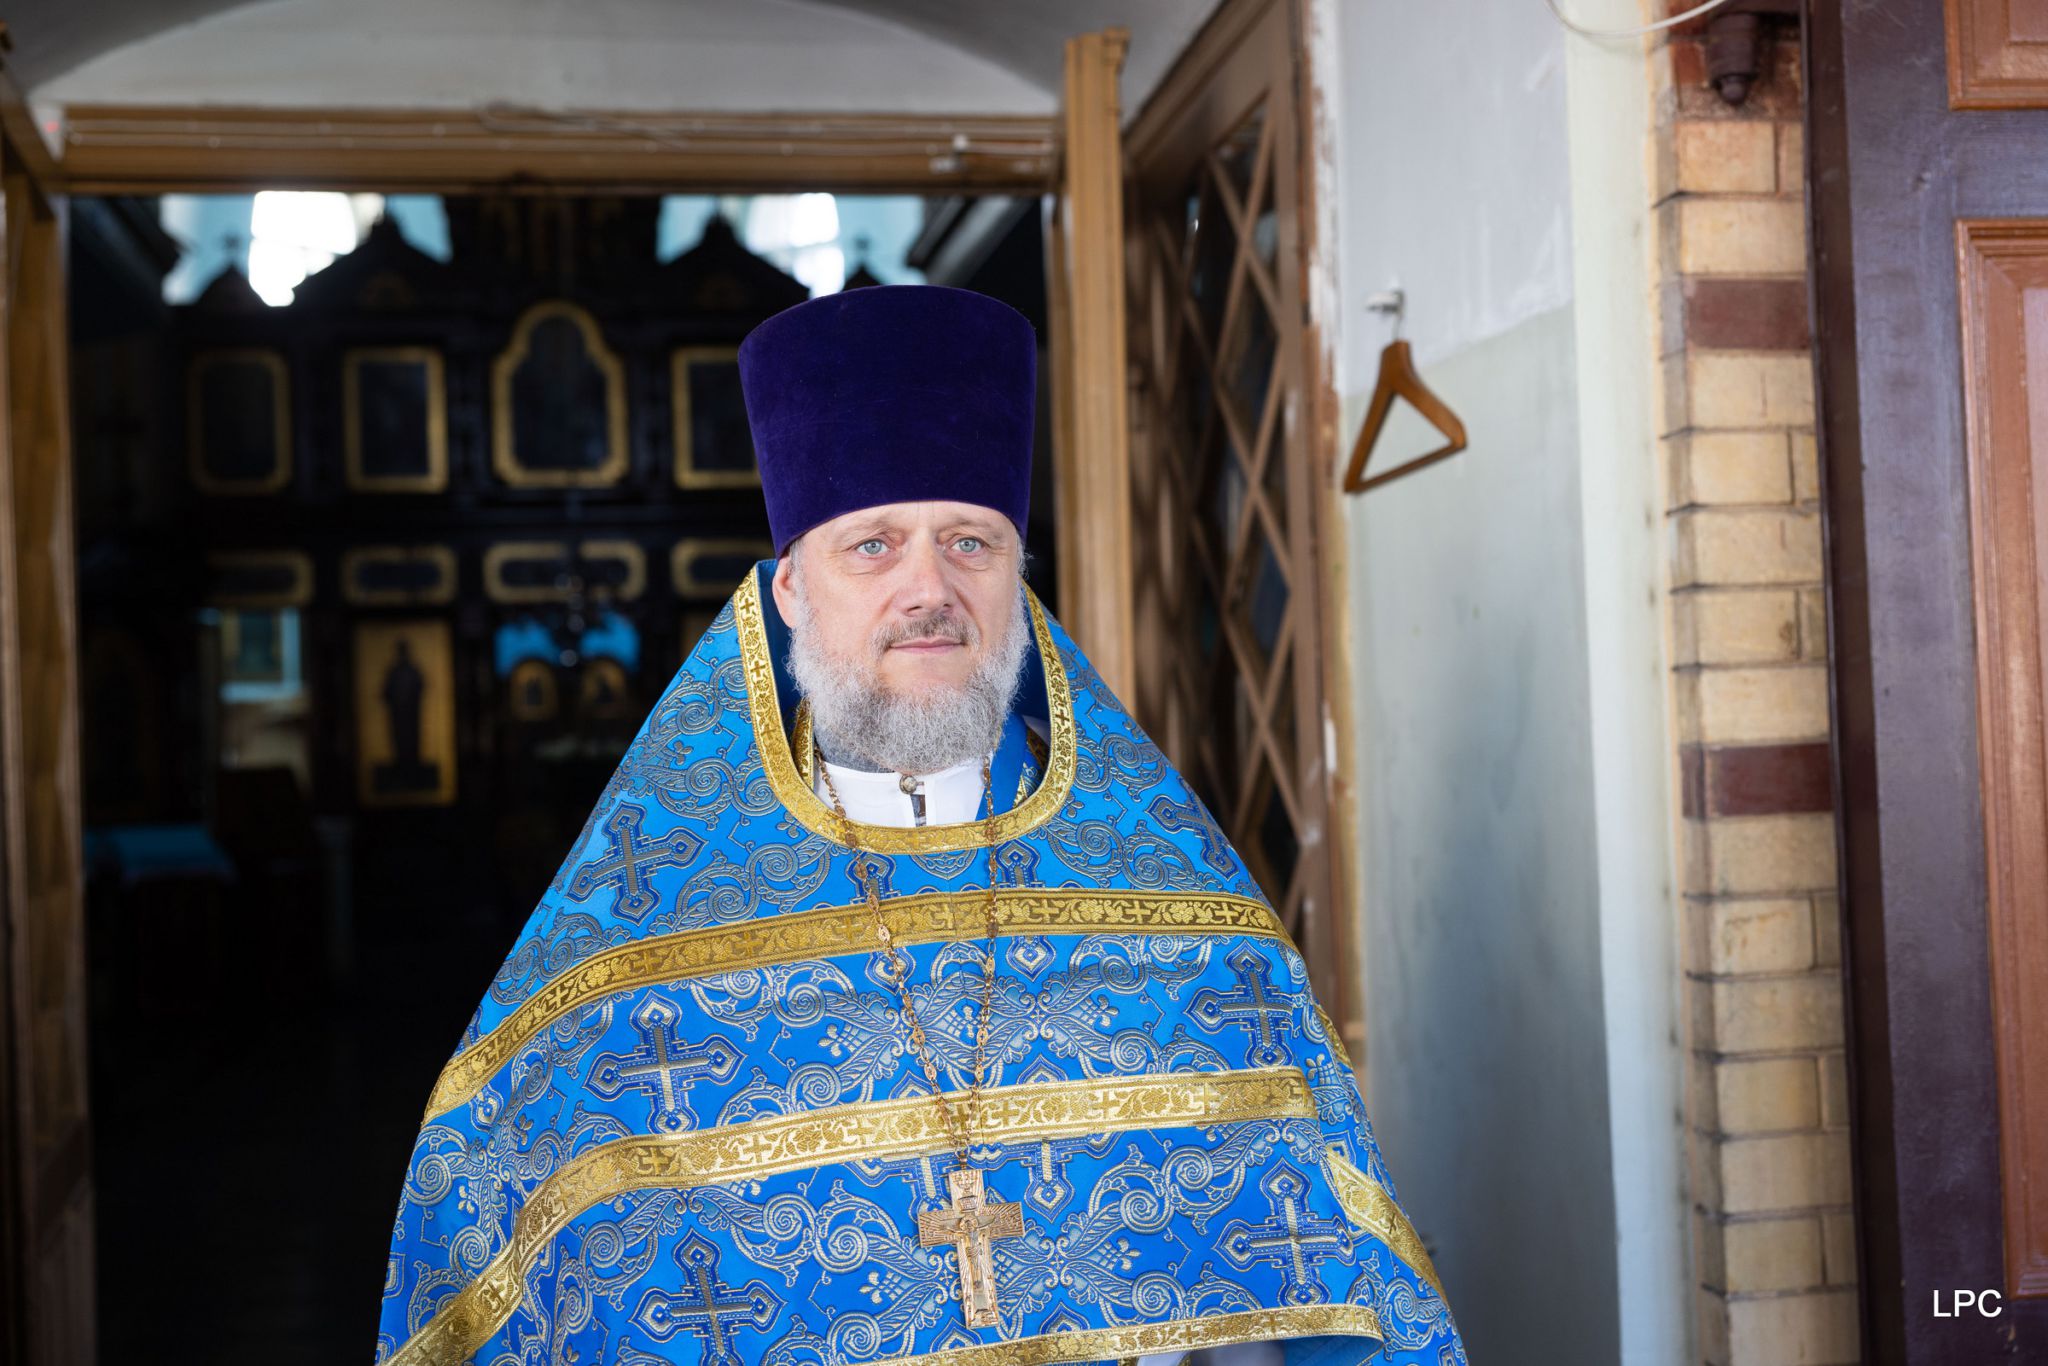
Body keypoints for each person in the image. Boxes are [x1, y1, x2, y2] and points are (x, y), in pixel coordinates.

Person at [376, 285, 1465, 1366]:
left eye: (970, 543)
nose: (928, 588)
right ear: (788, 591)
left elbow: (1304, 1299)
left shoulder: (1189, 926)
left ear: (1017, 580)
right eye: (872, 546)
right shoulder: (633, 955)